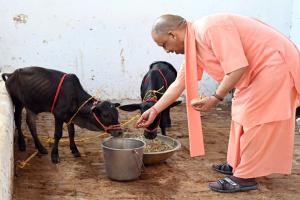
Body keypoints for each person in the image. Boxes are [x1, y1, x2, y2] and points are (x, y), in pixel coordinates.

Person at [136, 13, 300, 193]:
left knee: (254, 118)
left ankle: (244, 177)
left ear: (173, 34)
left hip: (275, 65)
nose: (166, 51)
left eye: (164, 44)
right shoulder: (194, 44)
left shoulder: (210, 28)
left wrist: (216, 97)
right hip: (259, 70)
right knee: (240, 113)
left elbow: (238, 67)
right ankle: (238, 163)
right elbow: (179, 83)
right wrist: (155, 109)